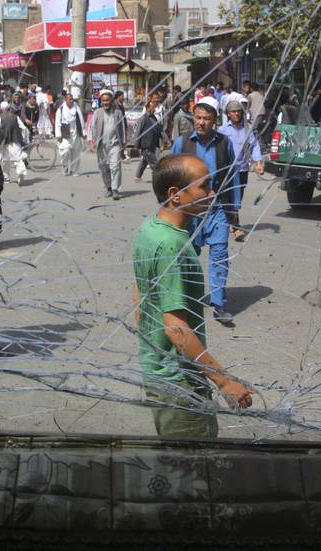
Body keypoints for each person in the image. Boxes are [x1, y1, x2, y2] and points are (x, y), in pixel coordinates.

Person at [133, 153, 254, 438]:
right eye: (204, 186)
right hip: (180, 385)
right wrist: (224, 382)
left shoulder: (149, 230)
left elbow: (141, 298)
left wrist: (155, 357)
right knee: (195, 470)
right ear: (175, 195)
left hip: (157, 371)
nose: (212, 193)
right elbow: (175, 326)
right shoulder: (173, 245)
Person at [170, 102, 239, 325]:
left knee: (220, 254)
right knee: (189, 256)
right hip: (190, 211)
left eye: (206, 118)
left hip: (216, 208)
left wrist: (233, 208)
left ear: (214, 121)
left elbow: (232, 174)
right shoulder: (182, 144)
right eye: (198, 118)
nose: (201, 122)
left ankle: (218, 304)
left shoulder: (224, 144)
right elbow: (168, 172)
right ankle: (186, 301)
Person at [218, 99, 264, 240]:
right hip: (228, 170)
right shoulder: (223, 130)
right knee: (231, 197)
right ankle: (236, 226)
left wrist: (259, 162)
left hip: (243, 169)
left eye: (238, 111)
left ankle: (231, 220)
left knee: (239, 197)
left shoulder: (247, 128)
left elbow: (254, 145)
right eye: (233, 111)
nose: (236, 114)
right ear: (228, 114)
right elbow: (218, 149)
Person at [88, 90, 126, 199]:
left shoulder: (117, 112)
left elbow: (122, 126)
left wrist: (123, 140)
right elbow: (91, 126)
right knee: (104, 167)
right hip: (102, 145)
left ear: (111, 101)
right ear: (101, 102)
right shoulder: (98, 112)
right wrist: (91, 139)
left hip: (115, 144)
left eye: (107, 100)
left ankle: (115, 190)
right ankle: (108, 188)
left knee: (115, 166)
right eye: (103, 101)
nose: (105, 103)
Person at [133, 91, 170, 182]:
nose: (154, 109)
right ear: (148, 108)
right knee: (154, 162)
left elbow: (160, 130)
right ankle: (158, 178)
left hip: (153, 142)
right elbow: (138, 132)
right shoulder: (143, 119)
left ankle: (137, 176)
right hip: (146, 144)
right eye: (152, 107)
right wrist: (136, 145)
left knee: (145, 160)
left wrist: (167, 140)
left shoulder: (154, 118)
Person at [0, 101, 28, 185]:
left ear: (1, 109)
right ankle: (20, 173)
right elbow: (24, 128)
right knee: (18, 159)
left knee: (4, 161)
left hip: (3, 143)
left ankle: (6, 178)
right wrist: (23, 139)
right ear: (9, 108)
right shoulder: (15, 117)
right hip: (15, 141)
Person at [55, 91, 85, 176]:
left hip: (75, 130)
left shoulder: (76, 108)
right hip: (65, 131)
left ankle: (74, 170)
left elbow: (81, 120)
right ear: (66, 100)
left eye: (72, 99)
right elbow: (57, 122)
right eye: (69, 99)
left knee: (75, 151)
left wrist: (83, 132)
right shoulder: (60, 109)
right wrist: (58, 134)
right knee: (65, 150)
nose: (71, 101)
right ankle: (65, 166)